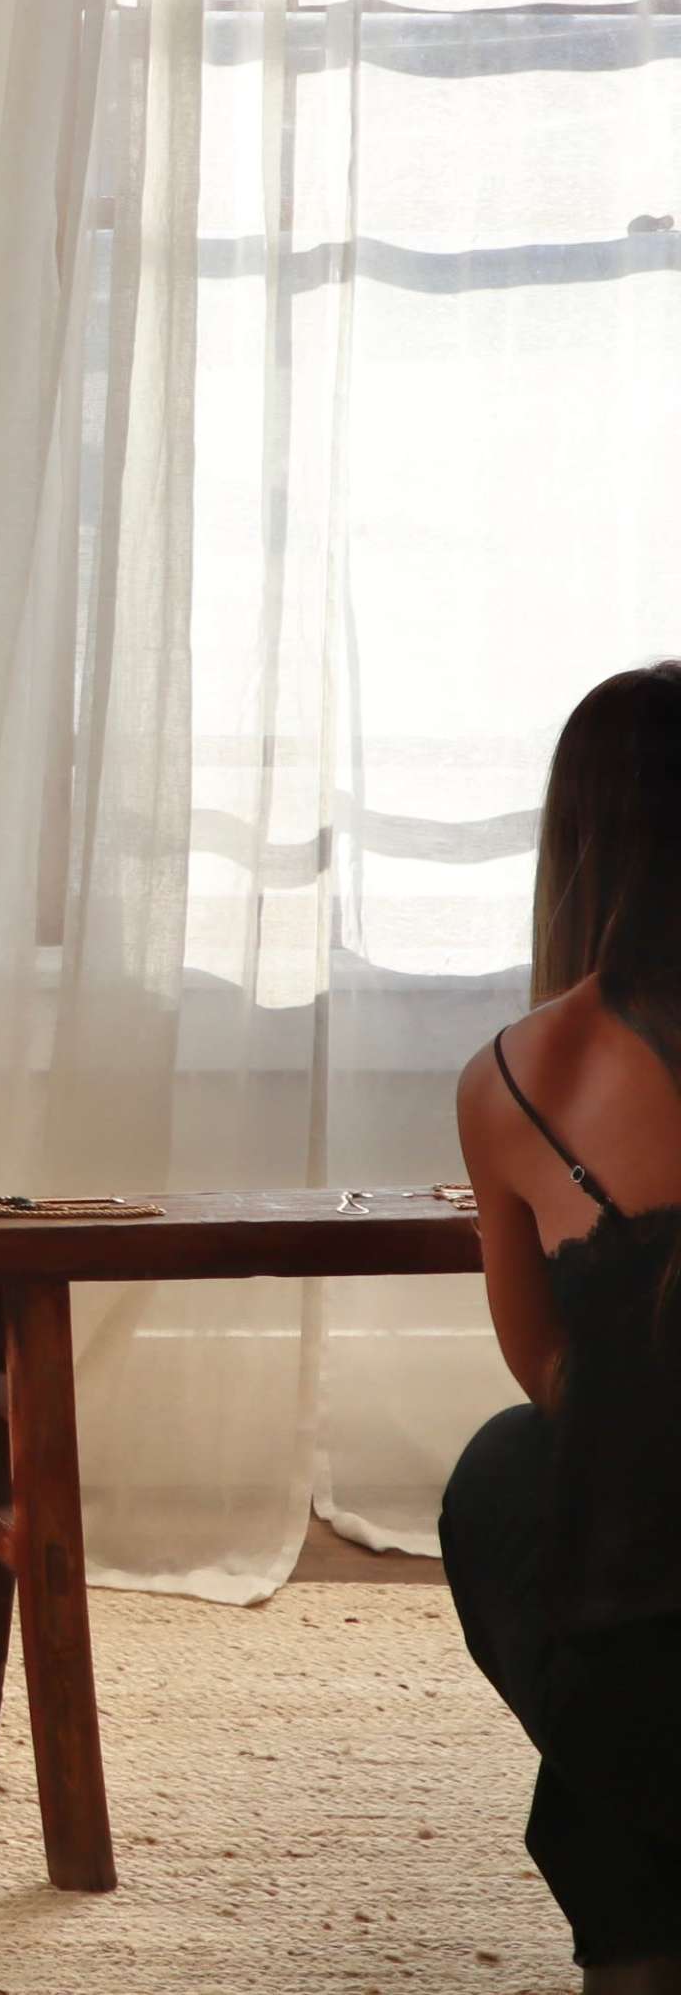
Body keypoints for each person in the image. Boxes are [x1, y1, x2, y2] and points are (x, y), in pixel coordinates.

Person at [446, 664, 681, 1995]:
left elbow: (550, 1376)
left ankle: (646, 1889)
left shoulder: (523, 1075)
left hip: (655, 1610)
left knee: (511, 1474)